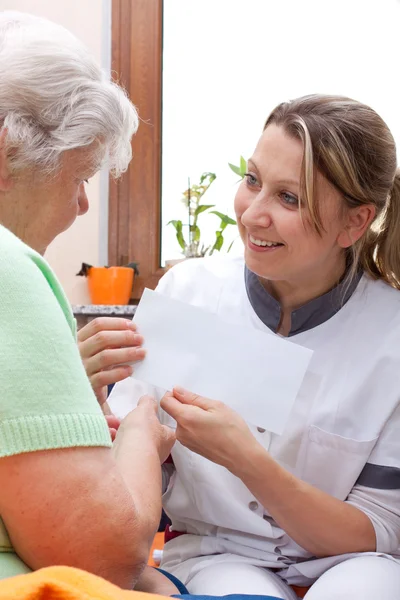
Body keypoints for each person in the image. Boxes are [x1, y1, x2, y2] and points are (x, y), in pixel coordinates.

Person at [109, 94, 400, 599]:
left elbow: (380, 530)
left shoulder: (391, 333)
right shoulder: (189, 295)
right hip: (217, 555)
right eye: (252, 181)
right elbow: (120, 473)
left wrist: (247, 460)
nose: (252, 214)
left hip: (353, 562)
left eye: (290, 198)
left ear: (355, 223)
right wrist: (90, 397)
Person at [0, 10, 174, 587]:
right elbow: (105, 555)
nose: (82, 207)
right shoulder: (10, 269)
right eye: (80, 178)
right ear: (6, 153)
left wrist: (59, 391)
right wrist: (142, 435)